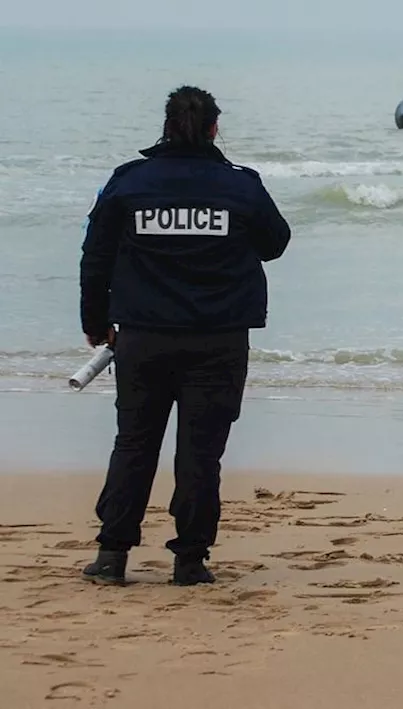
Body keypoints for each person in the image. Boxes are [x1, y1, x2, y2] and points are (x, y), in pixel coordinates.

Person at [78, 86, 292, 587]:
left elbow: (96, 257)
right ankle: (190, 560)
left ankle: (112, 557)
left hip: (143, 339)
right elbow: (275, 243)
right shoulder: (240, 186)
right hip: (217, 341)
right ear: (215, 128)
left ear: (167, 126)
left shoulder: (129, 183)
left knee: (133, 444)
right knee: (200, 453)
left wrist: (94, 322)